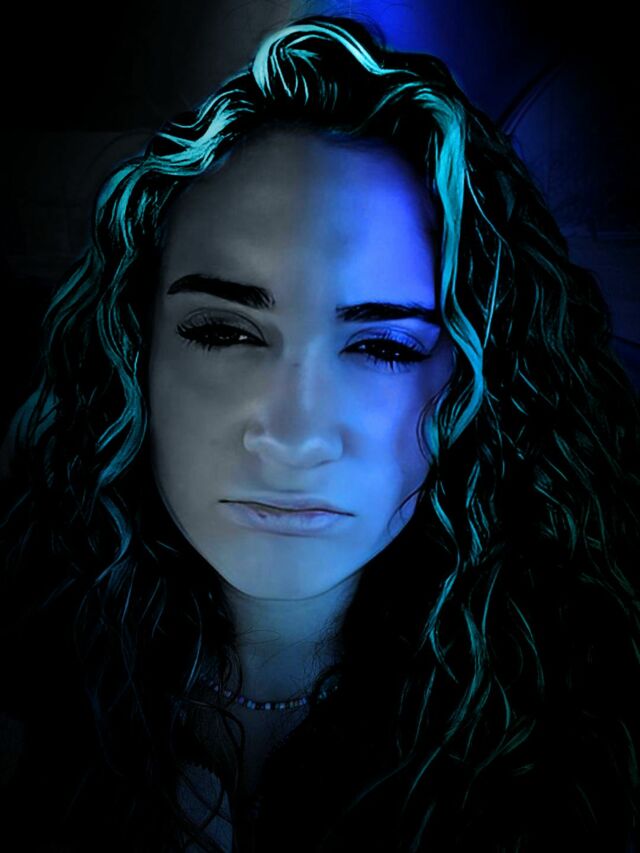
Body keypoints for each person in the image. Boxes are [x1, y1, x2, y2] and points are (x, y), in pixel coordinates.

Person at [1, 13, 639, 853]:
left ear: (474, 382)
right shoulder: (24, 691)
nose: (295, 436)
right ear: (133, 347)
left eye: (382, 347)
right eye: (224, 331)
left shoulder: (584, 749)